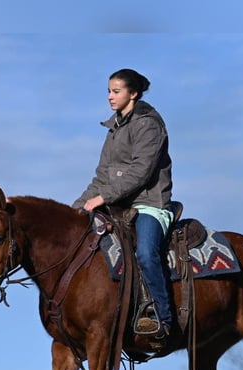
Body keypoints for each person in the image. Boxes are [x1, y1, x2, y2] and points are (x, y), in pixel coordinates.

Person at [72, 68, 174, 347]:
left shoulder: (149, 124)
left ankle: (164, 319)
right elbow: (101, 177)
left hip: (149, 203)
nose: (110, 96)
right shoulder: (113, 129)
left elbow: (140, 172)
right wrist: (76, 210)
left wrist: (104, 197)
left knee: (145, 253)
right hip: (117, 203)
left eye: (116, 91)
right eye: (108, 90)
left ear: (133, 93)